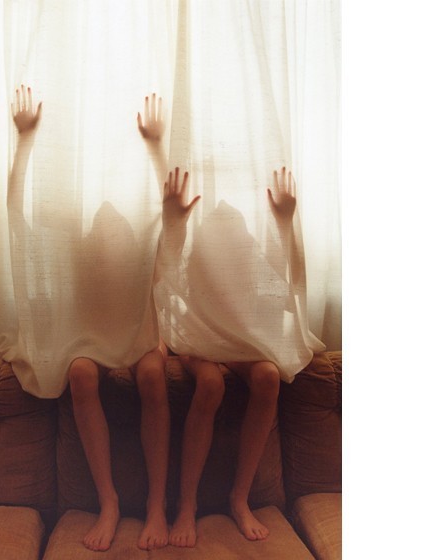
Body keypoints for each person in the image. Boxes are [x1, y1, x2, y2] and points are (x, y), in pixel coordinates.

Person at [139, 94, 321, 547]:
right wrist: (171, 209)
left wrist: (285, 223)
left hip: (238, 344)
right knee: (210, 383)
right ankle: (186, 505)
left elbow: (290, 293)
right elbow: (164, 279)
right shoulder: (195, 255)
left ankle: (239, 499)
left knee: (268, 377)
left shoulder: (249, 260)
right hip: (199, 345)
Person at [9, 85, 170, 552]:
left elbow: (170, 219)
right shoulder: (79, 264)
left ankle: (157, 504)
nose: (107, 226)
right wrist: (24, 143)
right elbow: (19, 217)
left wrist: (156, 148)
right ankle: (108, 501)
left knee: (153, 374)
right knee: (80, 372)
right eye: (100, 230)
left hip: (142, 340)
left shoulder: (141, 260)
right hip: (92, 343)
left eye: (115, 229)